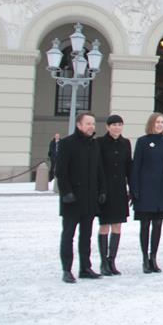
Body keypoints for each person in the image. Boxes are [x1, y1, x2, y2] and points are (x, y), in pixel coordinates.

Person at [57, 112, 105, 283]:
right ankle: (67, 270)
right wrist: (67, 193)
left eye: (93, 123)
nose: (91, 126)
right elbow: (61, 172)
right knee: (68, 235)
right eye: (87, 123)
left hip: (90, 198)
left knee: (86, 236)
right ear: (79, 125)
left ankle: (85, 267)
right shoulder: (66, 143)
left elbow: (99, 170)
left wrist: (102, 191)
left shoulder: (94, 144)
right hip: (72, 200)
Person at [130, 112, 163, 273]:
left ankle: (153, 257)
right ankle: (144, 259)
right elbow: (136, 167)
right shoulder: (142, 141)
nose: (160, 125)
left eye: (162, 122)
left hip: (162, 188)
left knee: (158, 224)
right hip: (145, 188)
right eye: (157, 122)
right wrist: (134, 189)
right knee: (145, 225)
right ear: (151, 124)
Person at [95, 115, 132, 276]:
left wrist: (132, 188)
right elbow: (97, 167)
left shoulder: (126, 143)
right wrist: (100, 189)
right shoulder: (99, 143)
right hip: (105, 189)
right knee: (104, 225)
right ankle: (103, 262)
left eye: (120, 124)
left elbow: (128, 167)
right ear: (108, 127)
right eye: (114, 125)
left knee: (117, 225)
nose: (117, 127)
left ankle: (112, 261)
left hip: (119, 189)